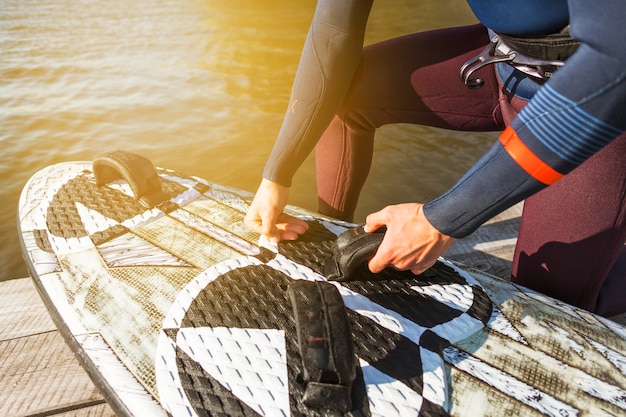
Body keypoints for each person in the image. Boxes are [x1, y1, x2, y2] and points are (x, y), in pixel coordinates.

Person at [244, 0, 626, 317]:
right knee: (347, 98)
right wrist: (278, 173)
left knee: (545, 300)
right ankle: (335, 247)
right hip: (504, 60)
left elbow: (615, 61)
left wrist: (442, 220)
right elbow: (332, 31)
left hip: (601, 100)